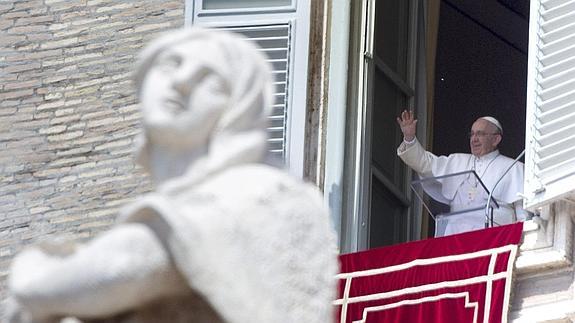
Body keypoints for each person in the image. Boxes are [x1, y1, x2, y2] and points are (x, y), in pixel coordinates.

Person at [6, 28, 338, 322]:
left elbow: (128, 265)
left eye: (209, 77)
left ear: (239, 110)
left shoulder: (267, 192)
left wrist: (31, 274)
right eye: (171, 64)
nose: (181, 81)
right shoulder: (185, 202)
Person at [396, 109, 527, 236]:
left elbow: (523, 214)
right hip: (455, 236)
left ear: (496, 139)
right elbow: (425, 164)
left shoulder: (513, 167)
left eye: (480, 134)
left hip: (495, 238)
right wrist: (409, 138)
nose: (474, 139)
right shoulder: (457, 161)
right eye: (472, 134)